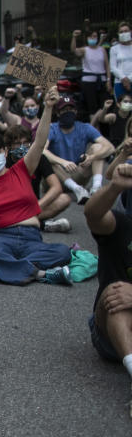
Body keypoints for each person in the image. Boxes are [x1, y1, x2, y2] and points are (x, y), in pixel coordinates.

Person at [0, 90, 73, 286]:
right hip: (0, 240)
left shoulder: (21, 169)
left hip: (32, 239)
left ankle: (7, 268)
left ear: (5, 151)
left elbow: (38, 143)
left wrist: (47, 108)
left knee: (63, 251)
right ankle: (41, 274)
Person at [84, 161, 132, 406]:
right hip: (111, 329)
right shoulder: (122, 226)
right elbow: (92, 214)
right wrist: (114, 187)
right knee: (116, 294)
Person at [45, 95, 114, 202]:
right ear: (58, 113)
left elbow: (110, 147)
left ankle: (96, 187)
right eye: (64, 110)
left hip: (77, 174)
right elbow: (41, 150)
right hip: (55, 179)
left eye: (71, 109)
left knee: (98, 147)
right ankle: (75, 188)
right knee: (46, 157)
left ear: (76, 112)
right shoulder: (51, 128)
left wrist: (92, 157)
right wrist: (62, 162)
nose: (68, 112)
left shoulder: (85, 127)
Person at [4, 125, 72, 232]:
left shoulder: (39, 158)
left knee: (64, 199)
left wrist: (37, 206)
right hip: (10, 207)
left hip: (33, 207)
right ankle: (42, 225)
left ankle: (20, 223)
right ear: (9, 146)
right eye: (17, 143)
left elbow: (56, 187)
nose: (22, 147)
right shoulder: (3, 161)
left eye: (26, 142)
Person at [72, 29, 111, 120]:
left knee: (104, 106)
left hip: (102, 81)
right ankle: (94, 129)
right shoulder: (84, 50)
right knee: (92, 108)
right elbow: (74, 50)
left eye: (95, 36)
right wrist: (74, 37)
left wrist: (108, 80)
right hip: (89, 83)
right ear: (87, 38)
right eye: (91, 37)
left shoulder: (102, 50)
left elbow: (107, 66)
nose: (93, 38)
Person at [110, 21, 132, 100]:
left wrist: (129, 79)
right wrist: (123, 78)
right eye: (121, 32)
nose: (123, 33)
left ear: (130, 32)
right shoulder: (114, 49)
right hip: (119, 82)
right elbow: (113, 67)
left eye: (126, 31)